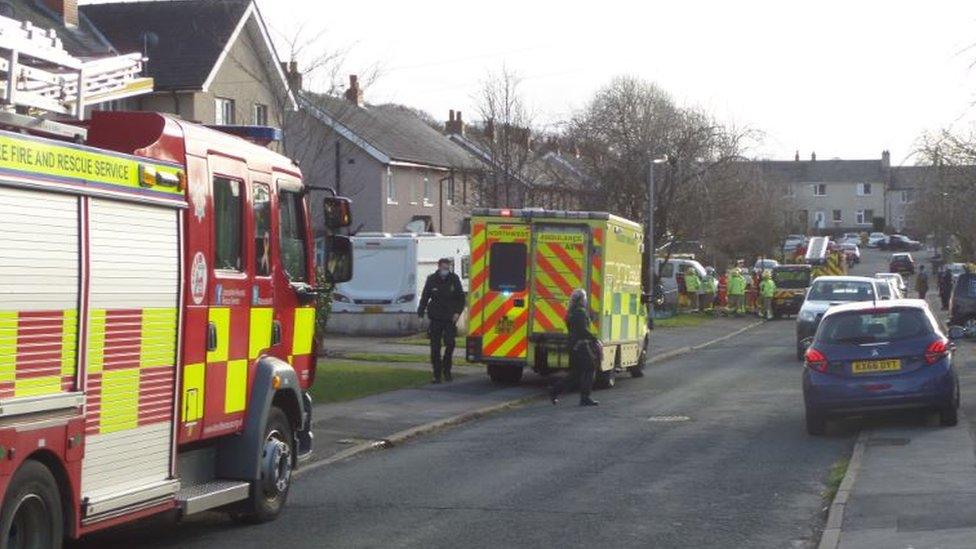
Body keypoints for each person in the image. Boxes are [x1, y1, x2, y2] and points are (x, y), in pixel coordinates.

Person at [417, 258, 466, 383]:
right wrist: (421, 313)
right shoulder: (432, 279)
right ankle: (437, 374)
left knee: (450, 344)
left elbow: (461, 298)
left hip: (449, 318)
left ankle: (447, 370)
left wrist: (457, 313)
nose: (446, 271)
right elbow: (425, 297)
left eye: (447, 268)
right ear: (439, 267)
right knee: (435, 348)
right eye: (444, 268)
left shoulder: (454, 279)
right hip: (436, 317)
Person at [549, 289, 599, 407]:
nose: (586, 300)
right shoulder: (580, 313)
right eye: (585, 298)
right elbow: (582, 330)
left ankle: (554, 390)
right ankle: (585, 398)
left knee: (576, 374)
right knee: (590, 368)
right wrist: (594, 338)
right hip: (580, 346)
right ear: (581, 300)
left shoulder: (571, 312)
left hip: (574, 345)